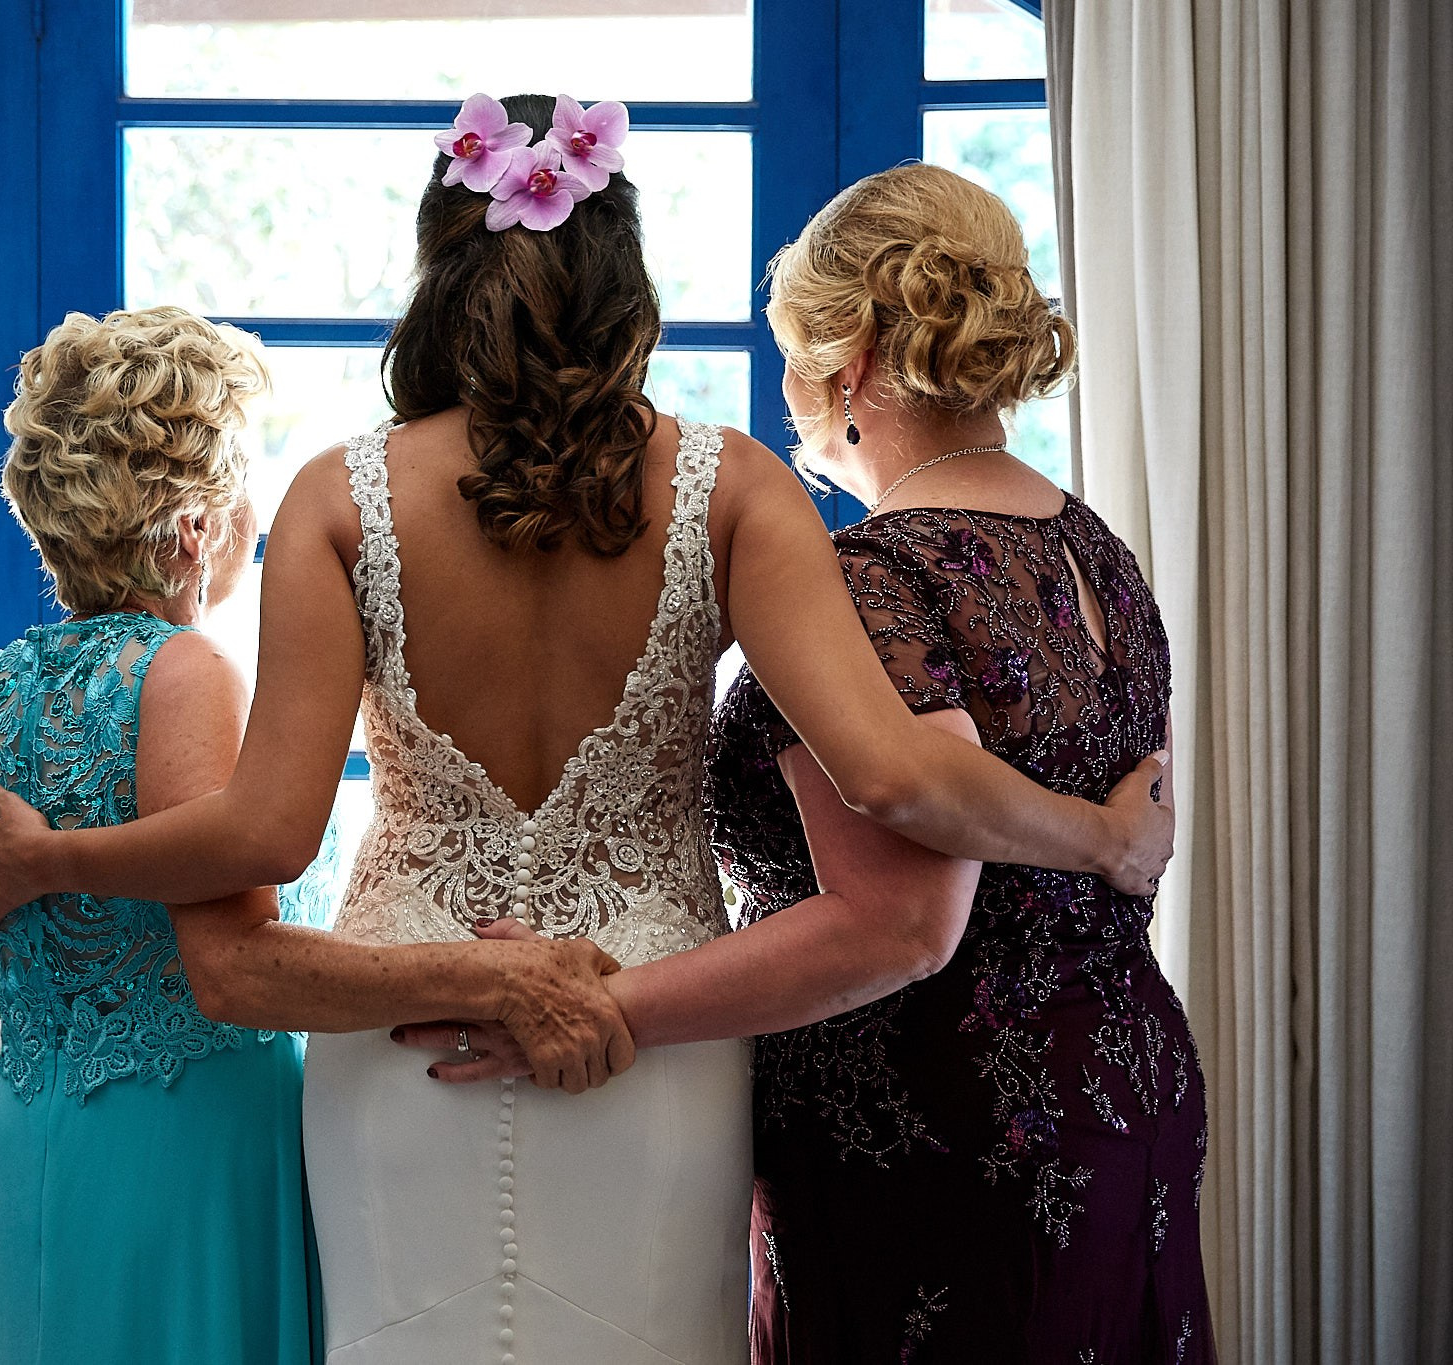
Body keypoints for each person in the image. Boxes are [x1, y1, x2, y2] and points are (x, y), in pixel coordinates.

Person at [0, 98, 1173, 1365]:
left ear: (438, 273)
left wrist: (64, 860)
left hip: (402, 1041)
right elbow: (886, 773)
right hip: (648, 1033)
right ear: (621, 281)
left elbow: (264, 836)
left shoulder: (337, 495)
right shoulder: (734, 486)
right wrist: (1094, 833)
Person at [403, 163, 1214, 1363]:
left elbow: (895, 926)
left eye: (790, 349)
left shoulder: (874, 577)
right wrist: (1099, 840)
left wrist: (594, 1006)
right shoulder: (1094, 550)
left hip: (938, 1128)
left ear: (852, 366)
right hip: (1127, 1077)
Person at [0, 305, 628, 1365]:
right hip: (194, 1153)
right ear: (193, 527)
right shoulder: (184, 673)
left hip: (34, 1146)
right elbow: (236, 947)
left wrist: (54, 1094)